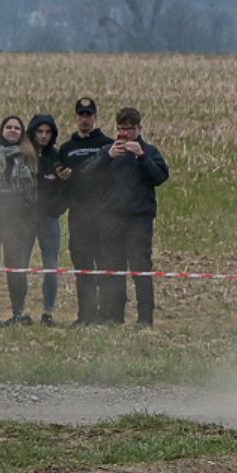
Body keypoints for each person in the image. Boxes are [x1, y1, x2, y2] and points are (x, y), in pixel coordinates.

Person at [87, 107, 169, 327]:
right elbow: (87, 175)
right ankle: (113, 316)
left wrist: (141, 156)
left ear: (139, 129)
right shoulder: (108, 151)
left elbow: (160, 176)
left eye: (130, 129)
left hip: (138, 220)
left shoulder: (149, 152)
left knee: (140, 268)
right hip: (110, 219)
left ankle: (144, 318)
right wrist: (107, 156)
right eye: (121, 129)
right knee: (112, 269)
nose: (125, 134)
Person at [58, 96, 113, 325]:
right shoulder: (67, 149)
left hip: (103, 215)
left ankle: (107, 314)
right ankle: (85, 315)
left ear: (95, 118)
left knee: (105, 267)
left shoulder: (107, 145)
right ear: (75, 118)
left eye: (89, 115)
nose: (84, 119)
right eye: (81, 115)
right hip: (78, 215)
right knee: (83, 267)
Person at [0, 115, 39, 325]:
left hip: (18, 219)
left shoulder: (29, 155)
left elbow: (34, 190)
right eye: (8, 127)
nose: (12, 130)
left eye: (17, 128)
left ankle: (18, 311)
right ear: (1, 130)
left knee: (16, 266)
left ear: (22, 132)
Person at [28, 114, 66, 324]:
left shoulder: (57, 157)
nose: (43, 136)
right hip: (25, 219)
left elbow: (66, 188)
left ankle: (48, 312)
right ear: (33, 132)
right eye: (39, 131)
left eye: (47, 132)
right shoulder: (23, 155)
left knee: (50, 264)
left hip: (49, 219)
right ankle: (19, 312)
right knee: (20, 263)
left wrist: (56, 210)